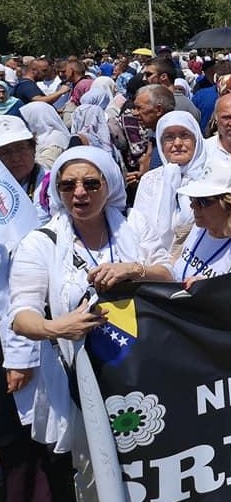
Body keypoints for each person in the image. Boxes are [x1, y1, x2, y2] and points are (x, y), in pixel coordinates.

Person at [7, 147, 173, 494]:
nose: (79, 193)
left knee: (153, 462)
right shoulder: (41, 243)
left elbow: (168, 274)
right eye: (68, 185)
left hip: (144, 368)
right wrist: (56, 328)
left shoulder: (134, 225)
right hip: (82, 380)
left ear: (108, 185)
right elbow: (21, 316)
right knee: (96, 471)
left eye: (90, 183)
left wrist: (134, 269)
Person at [131, 111, 218, 256]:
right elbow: (139, 226)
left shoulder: (212, 176)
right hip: (154, 258)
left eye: (185, 135)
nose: (177, 143)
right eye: (169, 137)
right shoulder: (150, 180)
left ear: (196, 140)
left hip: (200, 258)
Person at [0, 115, 51, 223]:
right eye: (5, 152)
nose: (15, 158)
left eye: (21, 148)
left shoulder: (51, 185)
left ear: (33, 149)